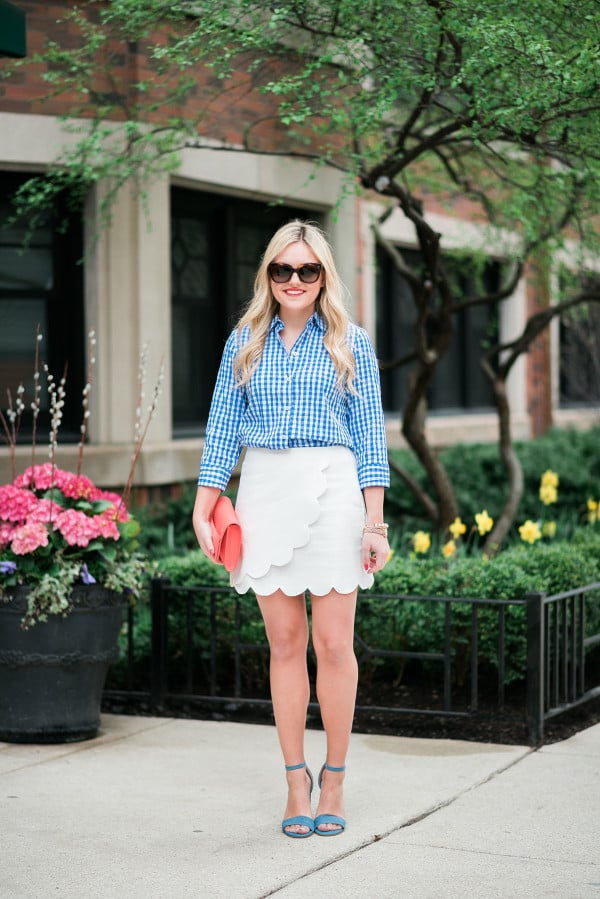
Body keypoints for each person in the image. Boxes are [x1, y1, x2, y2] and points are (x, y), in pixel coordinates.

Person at [192, 220, 390, 838]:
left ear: (324, 275)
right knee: (283, 644)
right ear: (269, 275)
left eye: (307, 269)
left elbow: (371, 437)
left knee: (333, 646)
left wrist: (376, 523)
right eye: (283, 269)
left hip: (335, 491)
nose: (295, 279)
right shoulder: (245, 340)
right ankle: (295, 781)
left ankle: (335, 778)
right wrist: (203, 505)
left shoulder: (351, 342)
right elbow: (222, 428)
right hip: (265, 493)